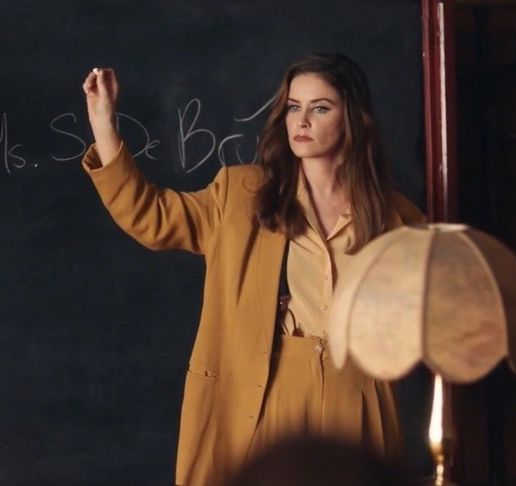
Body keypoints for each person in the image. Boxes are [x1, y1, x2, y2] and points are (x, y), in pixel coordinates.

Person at [81, 53, 425, 486]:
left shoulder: (398, 218)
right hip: (262, 392)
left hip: (356, 397)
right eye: (294, 107)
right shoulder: (241, 193)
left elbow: (418, 327)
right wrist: (103, 122)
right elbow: (150, 216)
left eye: (320, 107)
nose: (302, 120)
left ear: (353, 118)